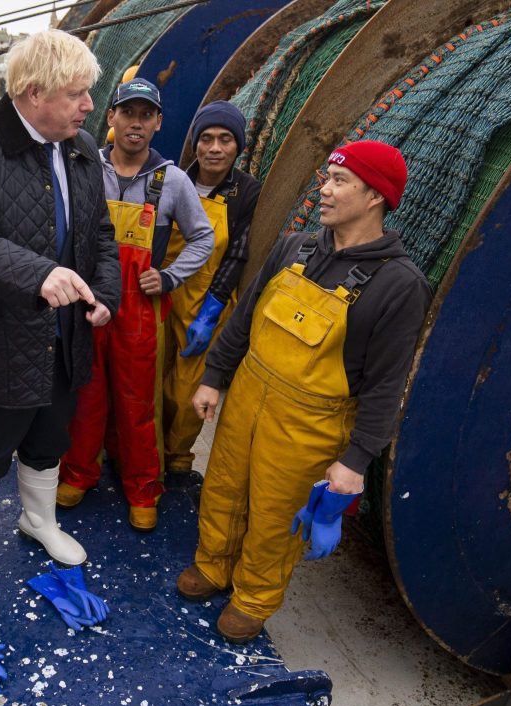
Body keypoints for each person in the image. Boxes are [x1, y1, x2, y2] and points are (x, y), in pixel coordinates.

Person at [175, 141, 431, 643]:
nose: (325, 191)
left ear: (376, 196)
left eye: (340, 182)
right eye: (325, 179)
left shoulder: (400, 285)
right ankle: (212, 565)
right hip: (248, 393)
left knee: (275, 514)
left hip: (310, 424)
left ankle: (253, 599)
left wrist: (355, 461)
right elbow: (245, 317)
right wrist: (214, 377)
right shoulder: (295, 247)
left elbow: (386, 386)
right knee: (224, 486)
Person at [0, 30, 121, 609]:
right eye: (77, 94)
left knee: (49, 439)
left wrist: (105, 294)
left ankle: (38, 520)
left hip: (67, 336)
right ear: (34, 93)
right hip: (1, 336)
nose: (90, 106)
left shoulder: (83, 147)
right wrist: (38, 275)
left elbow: (102, 236)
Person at [57, 78, 216, 531]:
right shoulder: (85, 165)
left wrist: (168, 276)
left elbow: (202, 237)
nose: (136, 123)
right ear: (111, 118)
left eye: (146, 115)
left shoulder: (173, 180)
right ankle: (79, 473)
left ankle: (143, 488)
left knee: (135, 402)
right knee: (85, 393)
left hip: (140, 311)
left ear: (158, 123)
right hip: (88, 299)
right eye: (128, 113)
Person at [162, 100, 261, 475]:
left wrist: (212, 310)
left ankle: (176, 458)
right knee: (152, 381)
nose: (215, 148)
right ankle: (145, 450)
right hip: (163, 292)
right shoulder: (173, 180)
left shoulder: (247, 192)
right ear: (195, 144)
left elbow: (237, 254)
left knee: (186, 388)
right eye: (206, 139)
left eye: (225, 139)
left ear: (238, 146)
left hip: (206, 300)